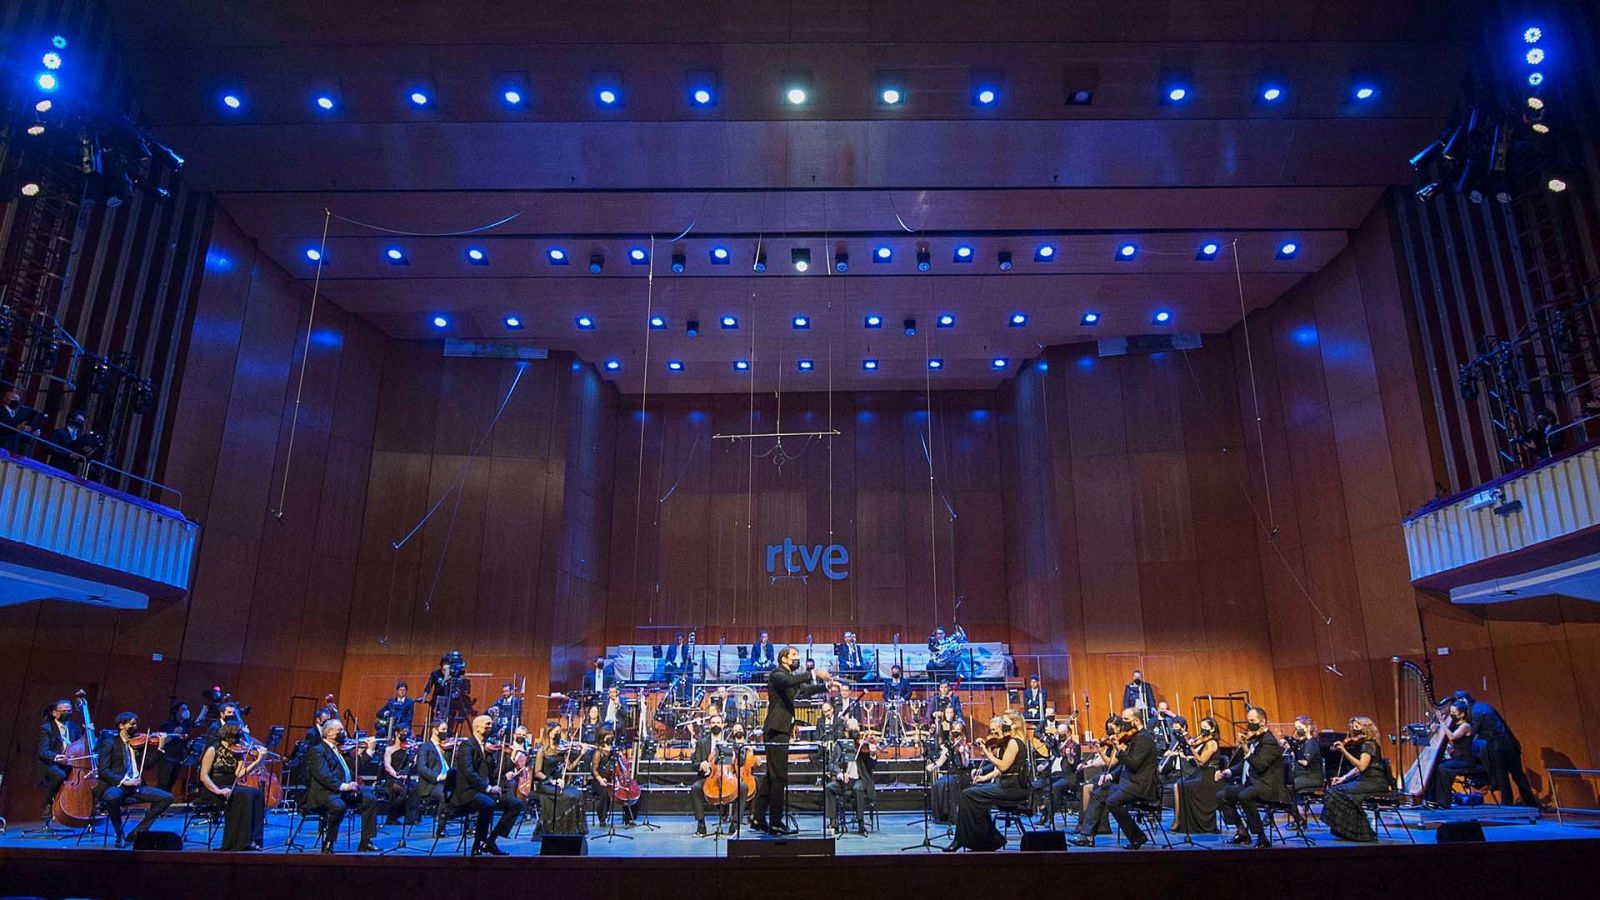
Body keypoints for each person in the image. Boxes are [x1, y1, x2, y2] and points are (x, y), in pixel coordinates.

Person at [750, 646, 832, 835]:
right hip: (776, 729)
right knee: (779, 777)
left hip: (781, 729)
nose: (797, 658)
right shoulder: (778, 674)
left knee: (772, 776)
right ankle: (776, 822)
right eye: (794, 655)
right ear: (784, 658)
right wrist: (814, 672)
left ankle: (758, 817)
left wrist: (824, 686)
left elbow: (802, 691)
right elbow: (790, 682)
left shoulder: (789, 678)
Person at [1070, 709, 1159, 848]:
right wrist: (1109, 775)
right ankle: (1087, 836)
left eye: (1126, 720)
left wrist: (1118, 748)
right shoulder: (1134, 737)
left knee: (1112, 801)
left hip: (1140, 785)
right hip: (1128, 781)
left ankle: (1137, 837)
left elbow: (1133, 765)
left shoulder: (1144, 739)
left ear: (1136, 721)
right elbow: (1125, 766)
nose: (1123, 723)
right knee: (1099, 792)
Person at [946, 716, 1029, 851]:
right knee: (972, 795)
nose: (994, 734)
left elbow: (1002, 766)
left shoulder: (1014, 743)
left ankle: (962, 840)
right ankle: (989, 840)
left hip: (1012, 788)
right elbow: (998, 768)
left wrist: (985, 751)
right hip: (1005, 785)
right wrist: (983, 778)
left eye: (997, 730)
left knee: (968, 795)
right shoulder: (1007, 743)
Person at [94, 712, 175, 847]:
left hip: (135, 787)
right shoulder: (110, 744)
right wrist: (124, 781)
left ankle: (137, 832)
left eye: (136, 723)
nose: (135, 726)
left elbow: (147, 765)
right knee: (113, 797)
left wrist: (160, 748)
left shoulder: (136, 744)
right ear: (121, 726)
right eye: (132, 724)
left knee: (166, 798)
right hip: (116, 785)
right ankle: (119, 832)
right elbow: (103, 770)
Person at [1214, 706, 1290, 848]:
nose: (1249, 724)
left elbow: (1260, 765)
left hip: (1269, 786)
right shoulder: (1256, 738)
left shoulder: (1269, 741)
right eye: (1248, 721)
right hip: (1253, 784)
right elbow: (1245, 764)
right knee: (1222, 795)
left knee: (1244, 796)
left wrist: (1246, 749)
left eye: (1252, 721)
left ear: (1262, 722)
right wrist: (1227, 771)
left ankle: (1262, 837)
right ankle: (1242, 831)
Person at [1447, 690, 1537, 807]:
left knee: (1502, 776)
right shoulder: (1483, 706)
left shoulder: (1475, 712)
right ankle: (1532, 805)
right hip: (1511, 744)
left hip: (1499, 747)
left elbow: (1470, 733)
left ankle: (1507, 805)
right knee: (1518, 775)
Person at [303, 719, 382, 853]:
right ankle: (328, 843)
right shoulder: (317, 751)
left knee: (370, 798)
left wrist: (369, 751)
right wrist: (345, 786)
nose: (344, 733)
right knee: (339, 806)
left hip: (342, 792)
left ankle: (366, 842)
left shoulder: (339, 750)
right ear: (329, 733)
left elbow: (357, 767)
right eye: (340, 730)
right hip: (325, 793)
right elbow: (323, 776)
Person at [448, 714, 522, 855]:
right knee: (488, 804)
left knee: (515, 804)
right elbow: (469, 772)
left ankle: (491, 841)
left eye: (491, 724)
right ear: (477, 727)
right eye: (487, 724)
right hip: (468, 792)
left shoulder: (486, 748)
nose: (491, 726)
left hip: (484, 791)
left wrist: (509, 763)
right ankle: (478, 843)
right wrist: (488, 788)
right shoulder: (467, 746)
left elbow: (491, 774)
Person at [197, 722, 267, 850]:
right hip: (213, 788)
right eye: (238, 737)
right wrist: (218, 791)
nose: (239, 740)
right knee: (243, 795)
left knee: (257, 793)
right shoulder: (213, 749)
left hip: (230, 786)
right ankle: (235, 843)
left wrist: (258, 761)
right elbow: (204, 776)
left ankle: (252, 839)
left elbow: (239, 774)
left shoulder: (237, 751)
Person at [1321, 716, 1389, 842]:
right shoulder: (1365, 744)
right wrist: (1343, 778)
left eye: (1357, 724)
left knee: (1337, 792)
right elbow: (1358, 769)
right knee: (1334, 789)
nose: (1354, 727)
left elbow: (1362, 767)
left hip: (1374, 782)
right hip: (1365, 780)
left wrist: (1344, 751)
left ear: (1366, 727)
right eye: (1353, 725)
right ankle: (1344, 829)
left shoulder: (1368, 744)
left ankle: (1357, 831)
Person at [690, 714, 746, 835]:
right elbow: (694, 763)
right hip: (709, 778)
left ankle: (735, 824)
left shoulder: (731, 741)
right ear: (709, 725)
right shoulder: (702, 742)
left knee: (743, 788)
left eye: (718, 722)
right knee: (695, 788)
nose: (716, 725)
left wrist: (736, 755)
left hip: (728, 776)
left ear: (723, 724)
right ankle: (701, 824)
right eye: (713, 722)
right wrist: (701, 765)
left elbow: (742, 761)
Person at [1172, 717, 1222, 834]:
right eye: (1202, 727)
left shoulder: (1211, 743)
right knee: (1178, 785)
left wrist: (1191, 748)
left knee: (1181, 786)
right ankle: (1178, 819)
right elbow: (1193, 742)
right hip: (1201, 773)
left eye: (1206, 728)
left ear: (1213, 729)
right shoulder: (1204, 740)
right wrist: (1186, 736)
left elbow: (1201, 761)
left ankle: (1178, 820)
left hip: (1207, 775)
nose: (1203, 730)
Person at [532, 723, 585, 835]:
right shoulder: (542, 750)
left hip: (559, 783)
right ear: (549, 733)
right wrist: (552, 781)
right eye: (556, 732)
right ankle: (559, 829)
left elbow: (569, 767)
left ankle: (571, 830)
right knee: (568, 796)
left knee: (578, 794)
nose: (558, 734)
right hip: (546, 784)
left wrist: (581, 754)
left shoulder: (562, 749)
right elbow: (537, 772)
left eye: (559, 732)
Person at [826, 719, 874, 836]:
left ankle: (861, 823)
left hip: (860, 779)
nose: (855, 732)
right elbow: (831, 764)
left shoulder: (863, 745)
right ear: (846, 731)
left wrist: (872, 754)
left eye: (857, 729)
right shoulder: (840, 745)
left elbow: (871, 766)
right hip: (844, 780)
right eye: (852, 730)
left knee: (858, 788)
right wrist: (840, 774)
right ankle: (834, 822)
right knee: (829, 788)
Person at [36, 699, 81, 822]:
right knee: (60, 775)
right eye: (64, 711)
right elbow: (43, 751)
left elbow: (81, 745)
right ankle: (48, 804)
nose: (67, 713)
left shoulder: (74, 727)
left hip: (69, 762)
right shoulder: (47, 728)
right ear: (55, 713)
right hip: (50, 763)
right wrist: (57, 757)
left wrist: (89, 732)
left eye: (69, 711)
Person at [1427, 700, 1476, 808]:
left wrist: (1441, 722)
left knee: (1443, 768)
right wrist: (1436, 728)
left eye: (1453, 712)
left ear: (1462, 714)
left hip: (1465, 760)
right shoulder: (1453, 724)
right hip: (1456, 759)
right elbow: (1445, 733)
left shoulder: (1466, 726)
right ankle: (1432, 799)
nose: (1451, 714)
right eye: (1450, 711)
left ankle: (1444, 802)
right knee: (1435, 767)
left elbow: (1452, 737)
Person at [925, 718, 970, 824]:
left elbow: (966, 764)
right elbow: (941, 762)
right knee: (937, 784)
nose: (956, 732)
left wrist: (963, 754)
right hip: (951, 773)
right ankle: (941, 816)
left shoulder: (964, 745)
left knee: (948, 783)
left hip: (961, 774)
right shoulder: (948, 745)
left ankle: (953, 815)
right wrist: (933, 765)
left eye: (959, 730)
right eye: (954, 729)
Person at [590, 729, 636, 828]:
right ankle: (602, 818)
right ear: (603, 738)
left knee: (629, 792)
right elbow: (594, 770)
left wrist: (621, 757)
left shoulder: (615, 750)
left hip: (615, 779)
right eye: (608, 736)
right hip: (600, 781)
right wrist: (601, 779)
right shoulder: (599, 752)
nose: (610, 738)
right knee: (605, 793)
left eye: (611, 736)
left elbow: (624, 765)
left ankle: (629, 818)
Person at [415, 721, 453, 832]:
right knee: (445, 794)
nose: (446, 732)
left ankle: (470, 827)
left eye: (446, 729)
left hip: (448, 780)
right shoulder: (425, 747)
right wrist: (437, 777)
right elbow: (422, 768)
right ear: (435, 730)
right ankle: (441, 828)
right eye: (443, 729)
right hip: (431, 784)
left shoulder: (447, 747)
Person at [380, 728, 419, 824]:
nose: (405, 735)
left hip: (405, 778)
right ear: (396, 733)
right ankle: (392, 817)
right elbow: (387, 766)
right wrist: (396, 775)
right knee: (402, 791)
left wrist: (415, 754)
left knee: (414, 788)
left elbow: (413, 765)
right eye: (403, 733)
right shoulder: (389, 749)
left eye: (406, 733)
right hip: (392, 778)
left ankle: (410, 818)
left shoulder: (408, 748)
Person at [154, 702, 193, 792]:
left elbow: (185, 742)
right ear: (177, 712)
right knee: (162, 785)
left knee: (170, 786)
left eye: (187, 709)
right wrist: (174, 733)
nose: (186, 711)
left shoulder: (186, 727)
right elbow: (162, 741)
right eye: (183, 709)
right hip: (167, 760)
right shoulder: (168, 725)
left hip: (178, 760)